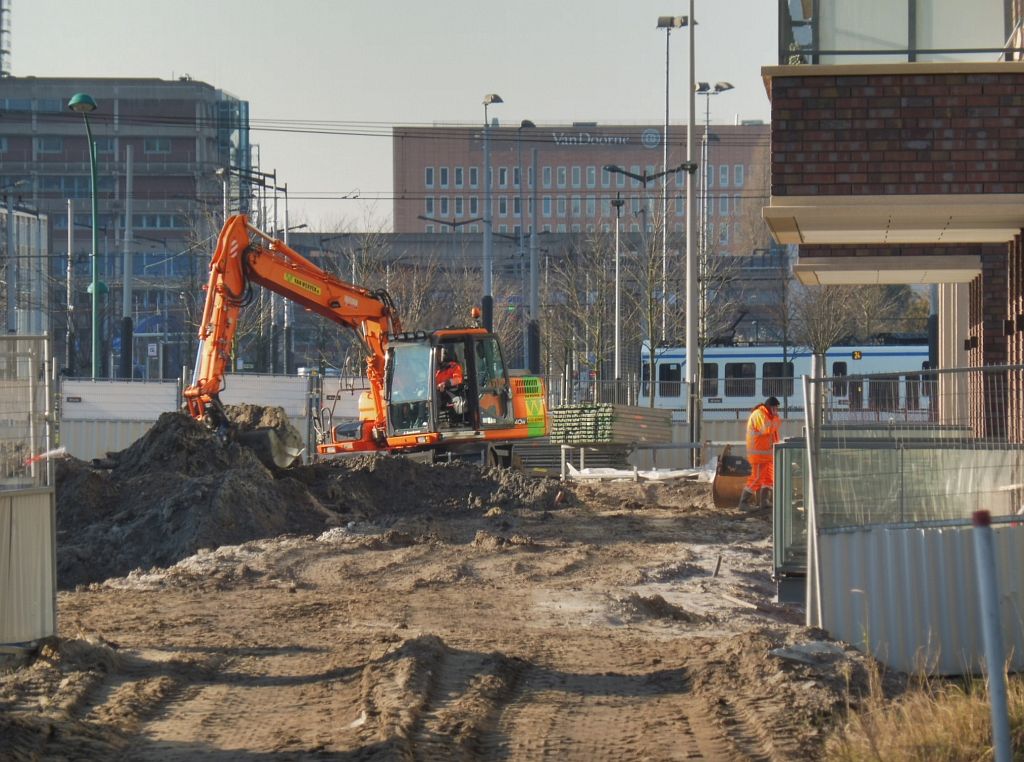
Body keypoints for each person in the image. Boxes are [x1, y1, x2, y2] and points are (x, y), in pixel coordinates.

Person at [740, 396, 781, 510]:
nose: (776, 411)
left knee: (768, 478)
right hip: (758, 455)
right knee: (756, 478)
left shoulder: (768, 416)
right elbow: (766, 429)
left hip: (767, 455)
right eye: (775, 408)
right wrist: (776, 419)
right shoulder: (759, 414)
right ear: (770, 407)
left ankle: (764, 502)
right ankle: (743, 503)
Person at [435, 348, 466, 424]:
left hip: (451, 393)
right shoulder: (437, 371)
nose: (437, 357)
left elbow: (458, 379)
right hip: (438, 392)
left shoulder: (454, 366)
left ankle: (436, 420)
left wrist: (445, 384)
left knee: (436, 399)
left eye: (439, 355)